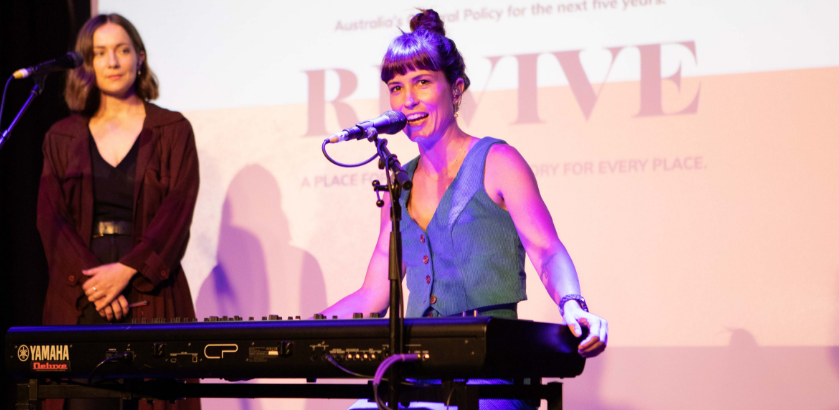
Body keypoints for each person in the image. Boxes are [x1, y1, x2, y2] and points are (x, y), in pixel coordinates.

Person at [320, 9, 608, 409]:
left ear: (455, 90)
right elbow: (372, 295)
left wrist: (574, 305)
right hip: (417, 371)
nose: (408, 100)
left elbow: (547, 249)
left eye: (422, 82)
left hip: (493, 371)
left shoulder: (498, 161)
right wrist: (294, 331)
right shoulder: (397, 183)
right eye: (397, 87)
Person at [37, 13, 200, 410]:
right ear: (87, 65)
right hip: (80, 294)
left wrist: (127, 270)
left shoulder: (172, 129)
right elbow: (50, 218)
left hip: (150, 289)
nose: (112, 61)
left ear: (140, 58)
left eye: (122, 50)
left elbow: (177, 212)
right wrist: (95, 286)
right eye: (100, 53)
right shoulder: (61, 137)